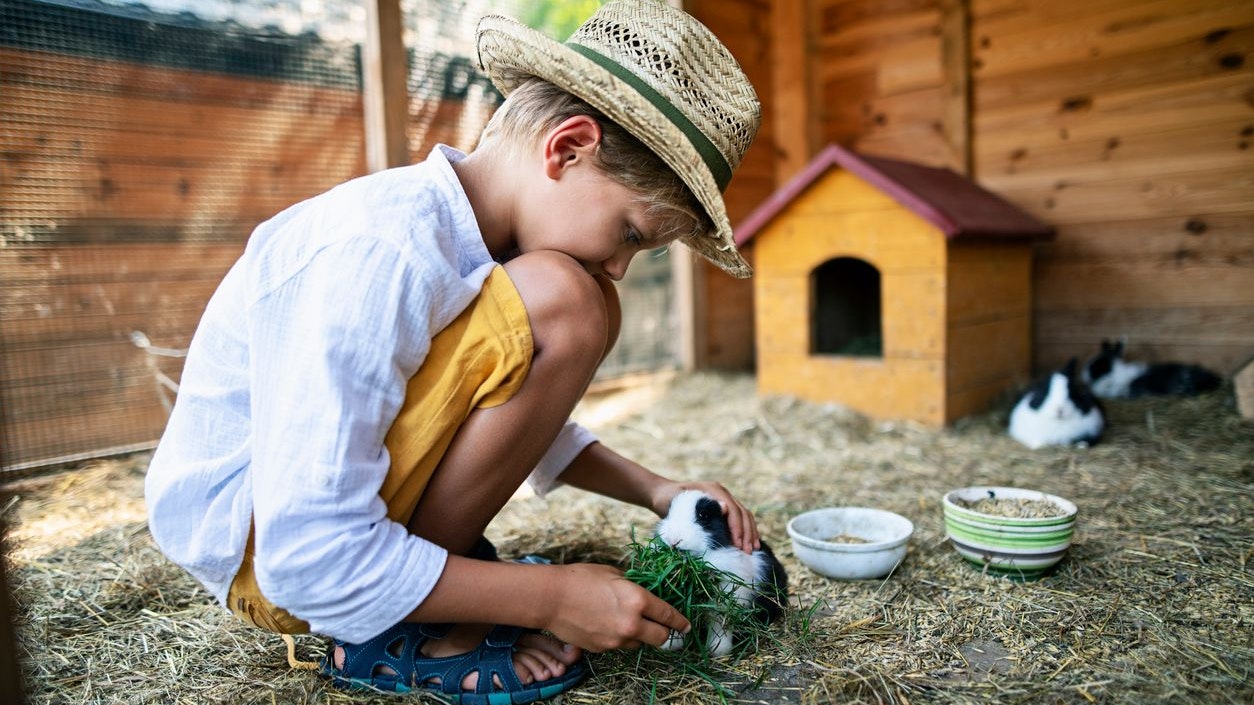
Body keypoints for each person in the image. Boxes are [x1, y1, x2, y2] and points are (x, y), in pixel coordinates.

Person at [144, 1, 763, 701]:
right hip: (274, 559)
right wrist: (547, 596)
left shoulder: (471, 246)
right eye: (629, 233)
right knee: (570, 297)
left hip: (314, 537)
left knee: (577, 298)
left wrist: (656, 489)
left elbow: (481, 415)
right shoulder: (384, 249)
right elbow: (305, 559)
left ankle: (433, 576)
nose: (620, 266)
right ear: (566, 148)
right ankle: (396, 627)